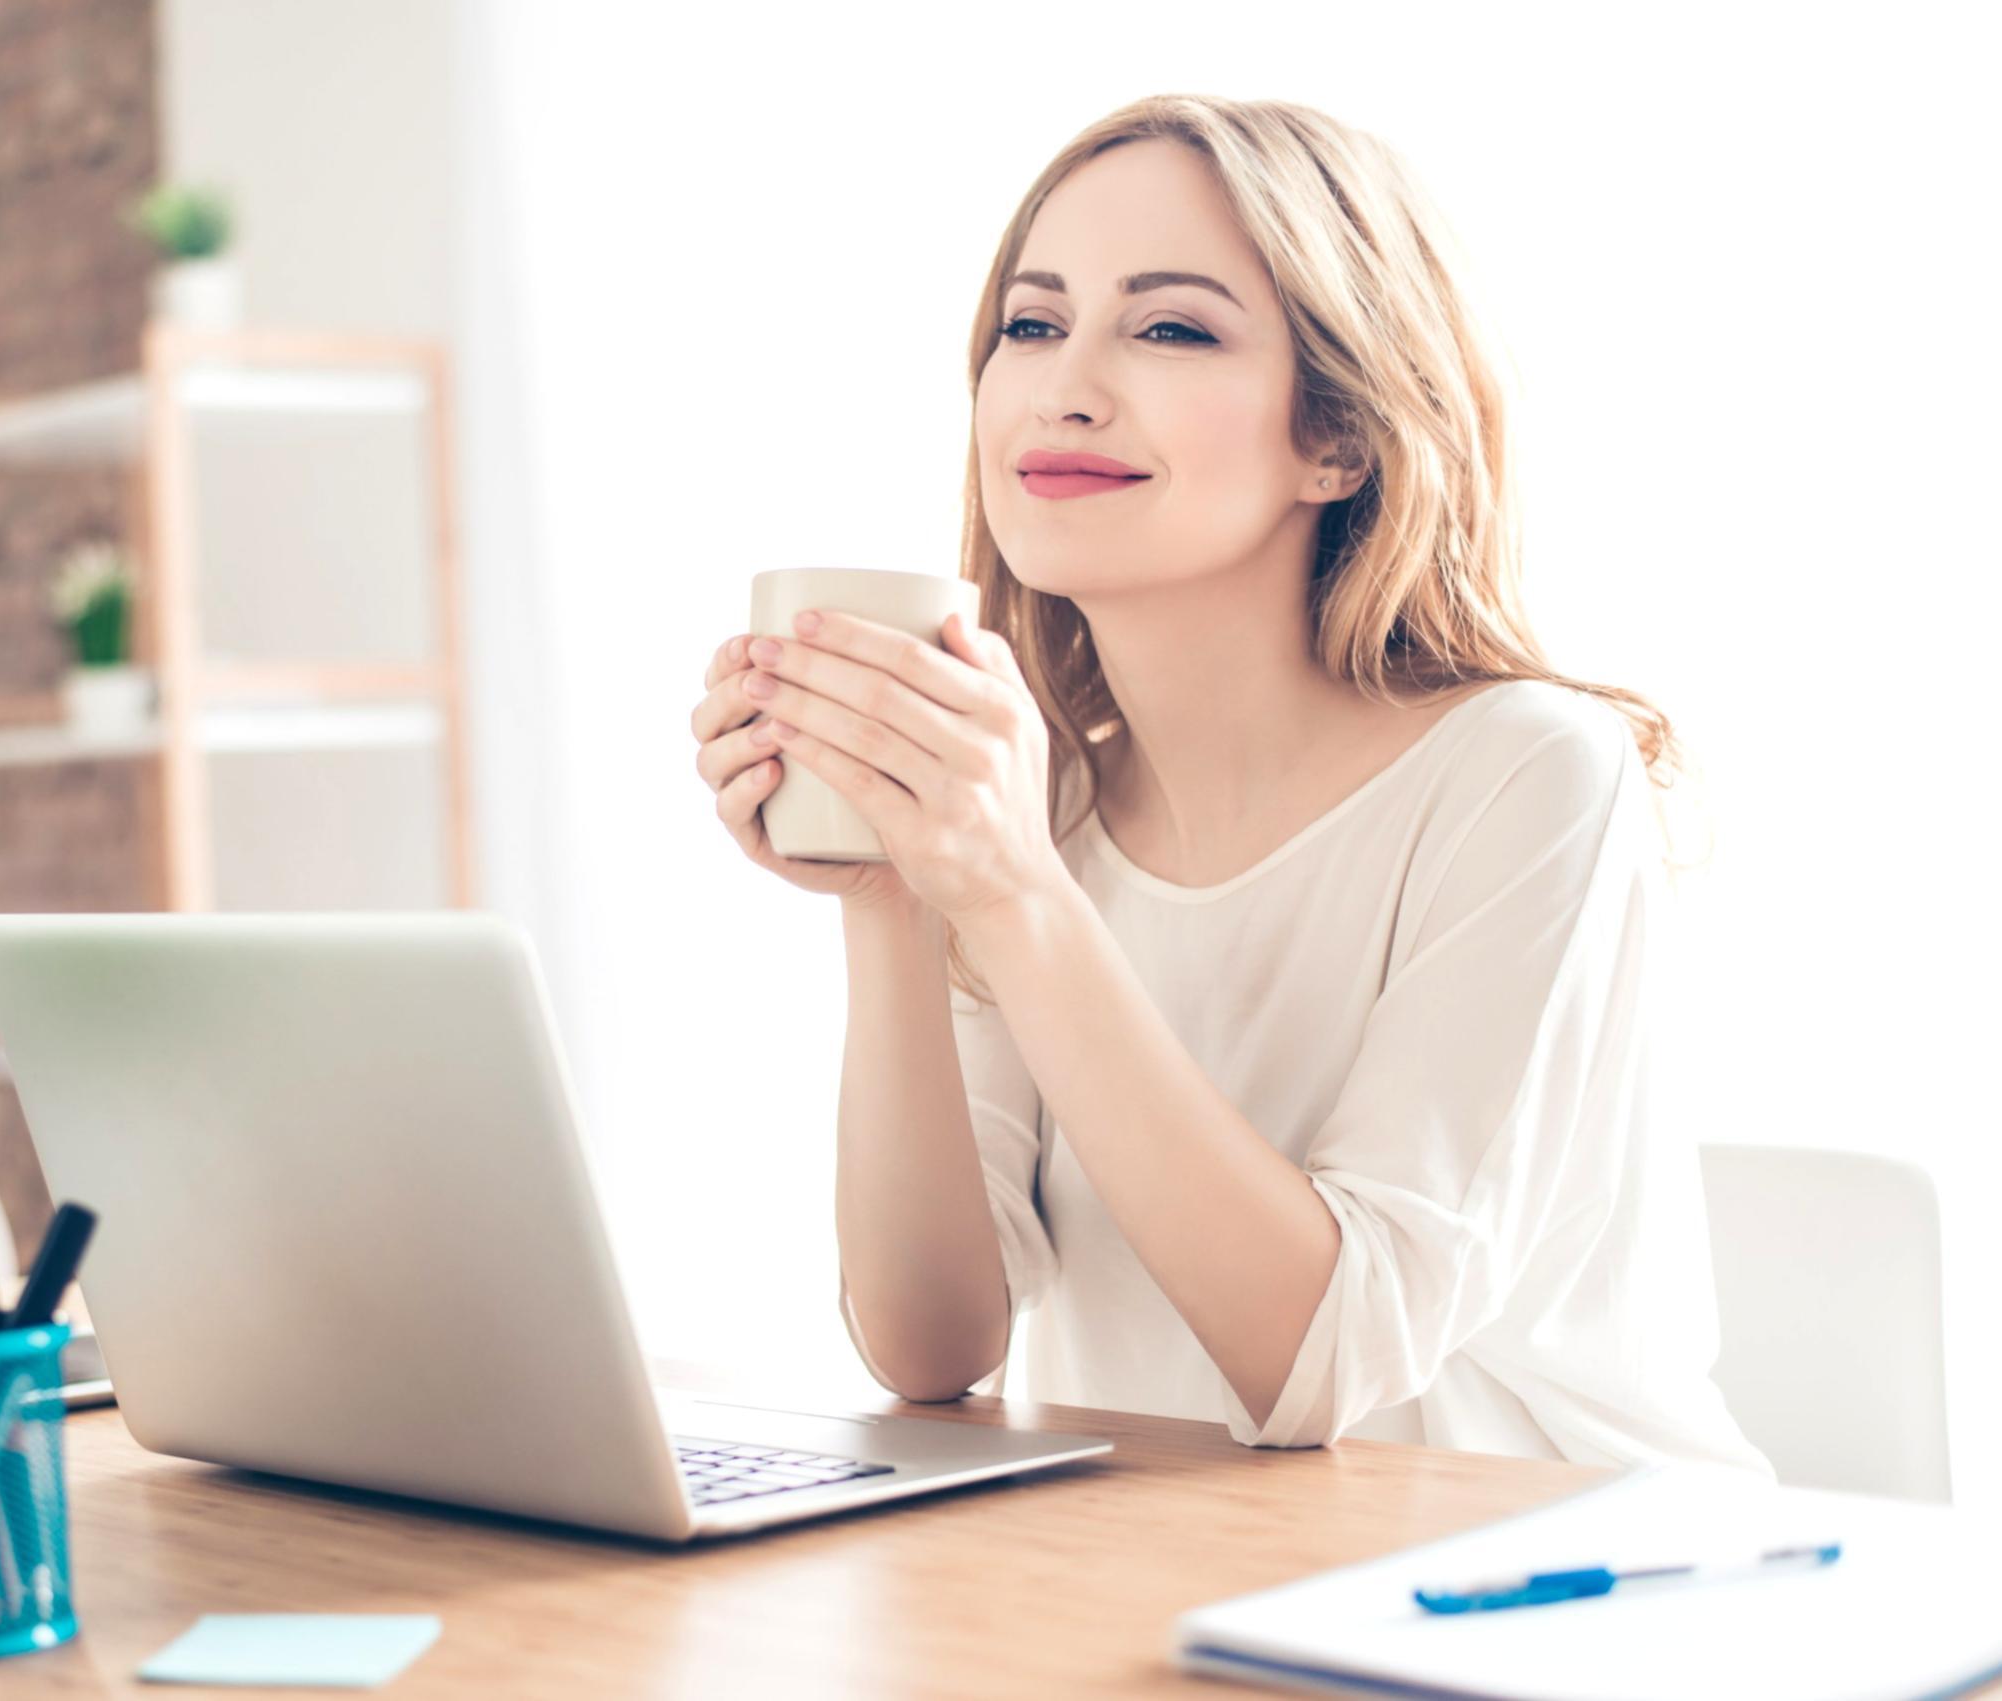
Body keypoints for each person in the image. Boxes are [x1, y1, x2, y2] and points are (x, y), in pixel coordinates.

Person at [685, 95, 1770, 1473]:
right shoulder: (1044, 806)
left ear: (1343, 439)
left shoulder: (1528, 774)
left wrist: (1008, 889)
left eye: (1171, 327)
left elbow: (1329, 1353)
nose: (1063, 384)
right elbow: (931, 1343)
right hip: (1184, 1584)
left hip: (1564, 1600)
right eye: (1031, 323)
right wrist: (895, 892)